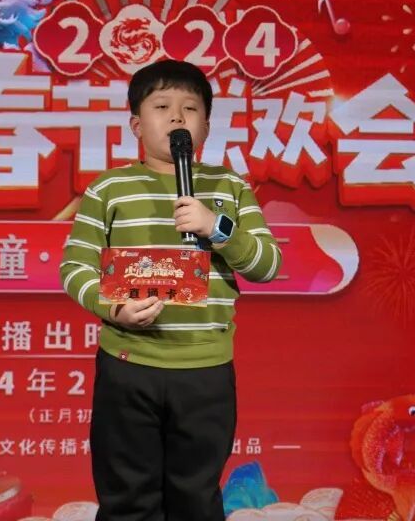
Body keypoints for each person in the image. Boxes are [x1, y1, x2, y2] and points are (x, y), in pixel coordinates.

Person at [61, 59, 282, 520]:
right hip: (128, 364)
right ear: (136, 125)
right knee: (128, 498)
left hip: (205, 369)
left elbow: (268, 265)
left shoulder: (228, 187)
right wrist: (112, 307)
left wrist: (216, 228)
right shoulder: (109, 189)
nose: (177, 117)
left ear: (206, 127)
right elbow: (75, 267)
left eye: (191, 108)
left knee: (195, 498)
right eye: (162, 106)